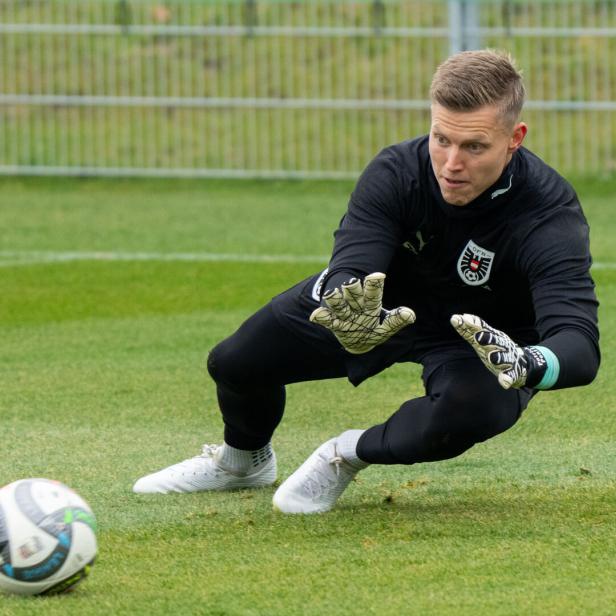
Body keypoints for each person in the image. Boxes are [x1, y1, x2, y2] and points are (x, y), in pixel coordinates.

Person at [133, 49, 600, 514]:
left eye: (474, 146)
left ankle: (346, 454)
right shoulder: (398, 171)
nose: (451, 163)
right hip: (382, 309)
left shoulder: (548, 216)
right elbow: (355, 253)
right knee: (235, 362)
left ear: (514, 137)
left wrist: (529, 363)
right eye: (441, 139)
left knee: (468, 415)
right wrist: (346, 306)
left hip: (482, 339)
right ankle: (243, 462)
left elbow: (579, 343)